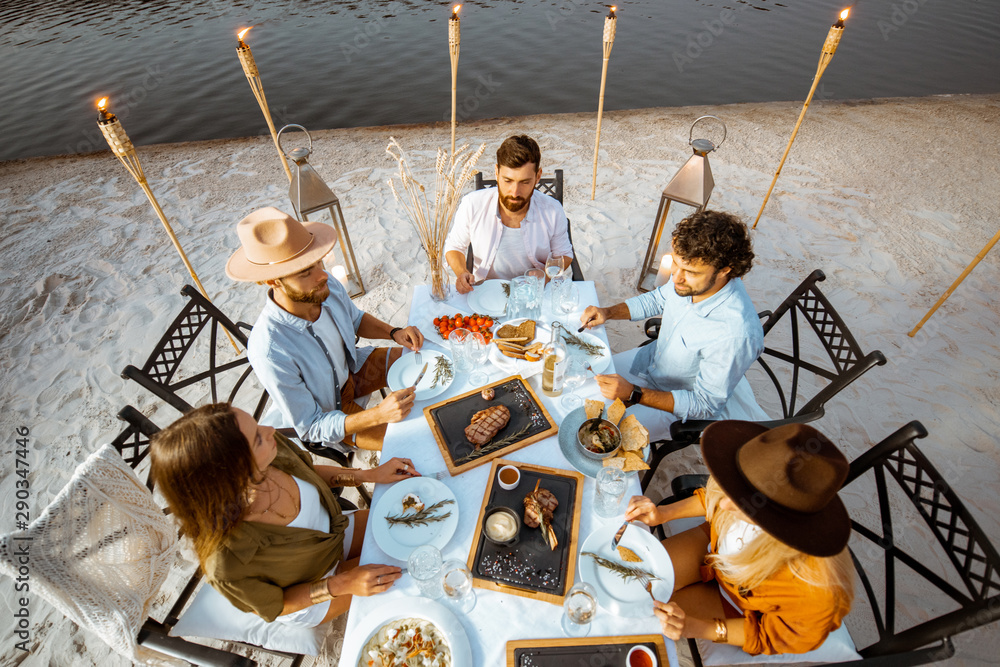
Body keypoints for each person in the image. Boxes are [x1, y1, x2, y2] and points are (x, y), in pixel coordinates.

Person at [150, 404, 418, 625]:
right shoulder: (226, 562)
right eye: (257, 438)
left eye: (257, 425)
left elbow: (309, 471)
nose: (269, 430)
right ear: (229, 476)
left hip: (337, 531)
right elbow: (277, 604)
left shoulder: (271, 447)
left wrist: (368, 474)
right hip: (317, 587)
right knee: (411, 573)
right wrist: (343, 582)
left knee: (417, 529)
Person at [625, 421, 854, 655]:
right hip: (712, 551)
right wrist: (662, 514)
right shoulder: (745, 489)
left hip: (739, 605)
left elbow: (771, 636)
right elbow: (714, 498)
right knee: (633, 583)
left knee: (642, 617)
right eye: (734, 488)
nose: (724, 504)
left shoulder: (816, 593)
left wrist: (698, 627)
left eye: (748, 506)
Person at [226, 206, 424, 452]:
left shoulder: (323, 284)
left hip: (354, 369)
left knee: (426, 363)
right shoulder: (269, 350)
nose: (322, 275)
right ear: (273, 281)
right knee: (414, 444)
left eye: (318, 262)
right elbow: (311, 426)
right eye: (306, 271)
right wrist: (378, 415)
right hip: (333, 412)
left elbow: (355, 319)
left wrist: (394, 332)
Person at [579, 210, 767, 440]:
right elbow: (658, 298)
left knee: (598, 437)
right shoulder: (688, 280)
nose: (676, 278)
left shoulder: (736, 334)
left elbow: (705, 405)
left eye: (690, 272)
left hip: (679, 404)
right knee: (581, 384)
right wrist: (608, 312)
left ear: (725, 269)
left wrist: (634, 394)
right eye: (676, 264)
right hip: (650, 361)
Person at [444, 134, 573, 293]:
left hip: (534, 291)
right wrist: (461, 272)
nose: (515, 192)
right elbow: (454, 246)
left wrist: (545, 277)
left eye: (525, 182)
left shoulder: (553, 209)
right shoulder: (472, 204)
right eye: (508, 181)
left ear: (538, 176)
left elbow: (564, 254)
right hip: (485, 291)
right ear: (496, 173)